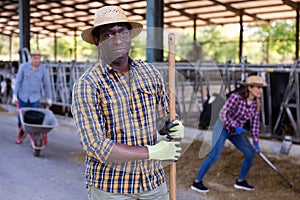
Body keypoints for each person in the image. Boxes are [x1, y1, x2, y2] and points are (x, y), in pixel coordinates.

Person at [71, 6, 184, 200]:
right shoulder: (88, 85)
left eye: (122, 31)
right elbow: (95, 145)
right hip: (112, 187)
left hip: (152, 182)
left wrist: (171, 125)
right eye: (108, 34)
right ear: (97, 41)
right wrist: (151, 151)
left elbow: (162, 115)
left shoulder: (149, 73)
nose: (118, 39)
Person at [191, 75, 267, 193]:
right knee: (214, 156)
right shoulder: (236, 98)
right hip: (222, 128)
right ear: (250, 88)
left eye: (262, 88)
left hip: (235, 132)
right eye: (258, 87)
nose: (260, 90)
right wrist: (234, 125)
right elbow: (222, 114)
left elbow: (255, 125)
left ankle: (241, 181)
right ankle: (197, 182)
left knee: (250, 154)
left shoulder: (256, 104)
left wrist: (256, 141)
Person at [12, 50, 52, 143]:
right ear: (31, 58)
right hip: (23, 96)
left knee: (35, 117)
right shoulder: (24, 67)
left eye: (38, 58)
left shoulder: (42, 69)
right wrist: (14, 94)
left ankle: (34, 134)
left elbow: (46, 84)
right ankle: (22, 130)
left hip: (35, 97)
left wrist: (49, 97)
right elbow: (18, 81)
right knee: (21, 117)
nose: (37, 60)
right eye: (35, 58)